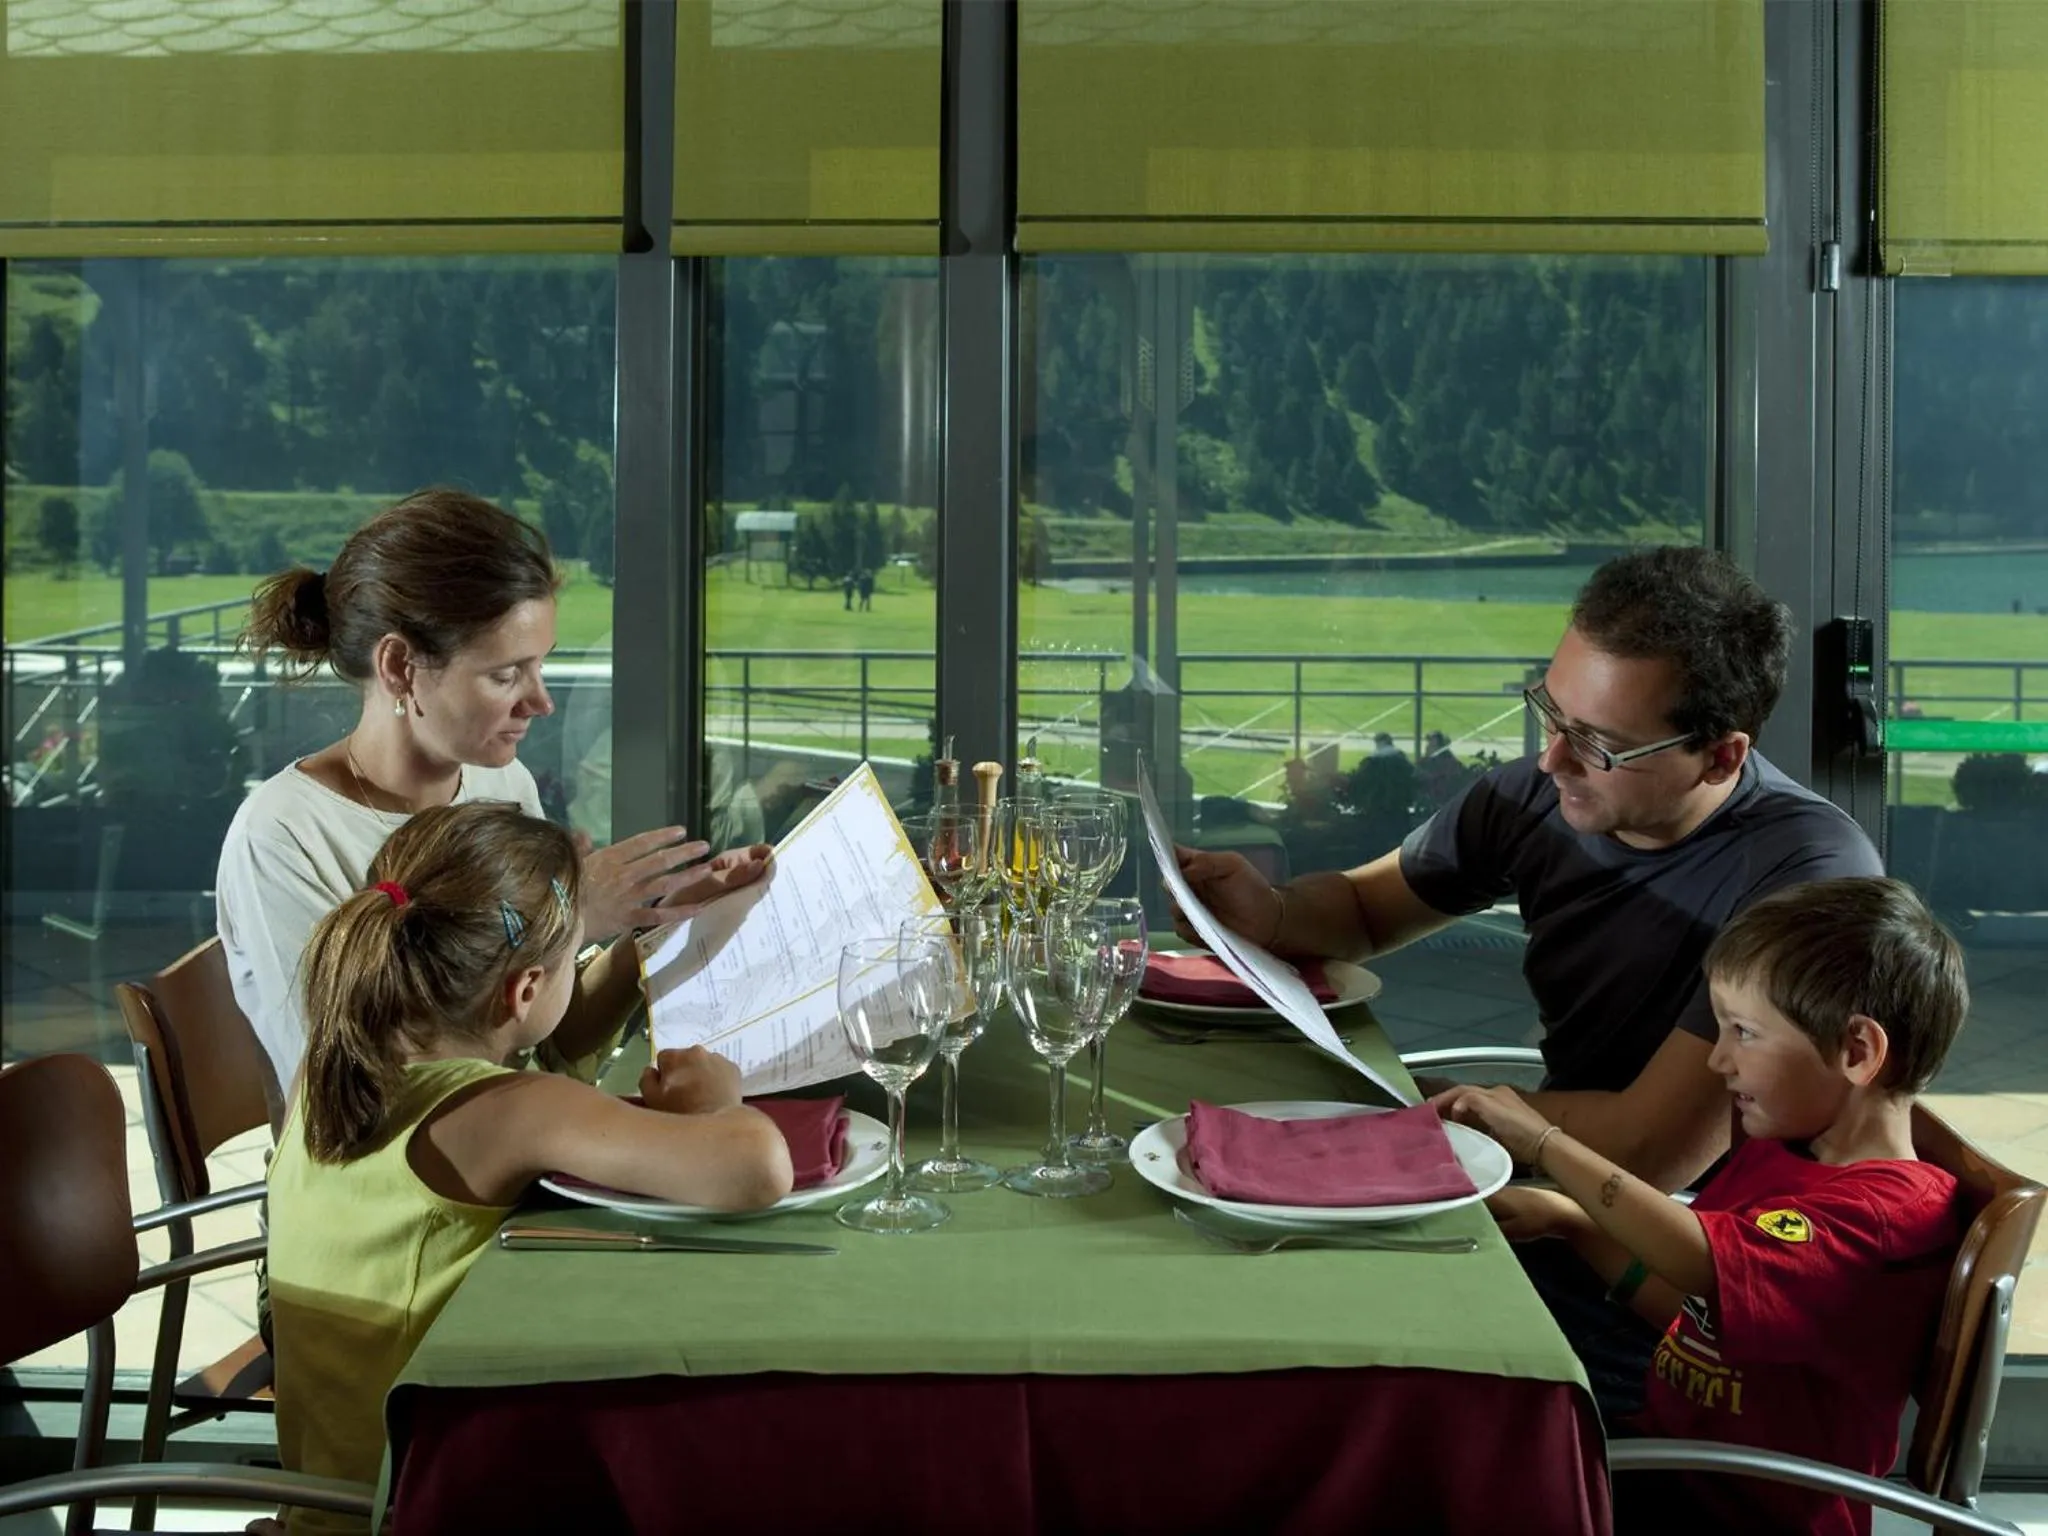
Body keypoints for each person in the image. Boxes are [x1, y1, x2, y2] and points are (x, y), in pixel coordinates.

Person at [1173, 546, 1882, 1412]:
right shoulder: (1546, 796)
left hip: (1679, 1287)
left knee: (1326, 1353)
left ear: (1721, 757)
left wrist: (1422, 1103)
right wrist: (1270, 913)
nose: (1552, 760)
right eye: (1551, 710)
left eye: (1598, 743)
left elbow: (1652, 1150)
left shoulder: (1806, 877)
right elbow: (1365, 911)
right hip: (1563, 1199)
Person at [266, 803, 792, 1534]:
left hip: (331, 1498)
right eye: (573, 957)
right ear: (521, 990)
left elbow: (548, 1036)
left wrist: (655, 936)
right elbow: (758, 1167)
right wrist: (716, 1102)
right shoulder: (510, 1112)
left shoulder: (332, 1066)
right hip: (417, 1505)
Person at [1440, 878, 1968, 1536]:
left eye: (1744, 1033)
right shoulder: (1793, 1151)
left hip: (1730, 1507)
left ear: (1857, 1052)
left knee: (1454, 1455)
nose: (1720, 1059)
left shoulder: (1883, 1215)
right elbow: (1705, 1307)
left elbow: (1699, 1262)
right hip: (1677, 1457)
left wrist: (1546, 1145)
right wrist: (1571, 1225)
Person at [219, 489, 770, 1106]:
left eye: (540, 667)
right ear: (400, 666)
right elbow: (353, 1094)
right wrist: (572, 917)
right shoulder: (283, 835)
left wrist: (662, 924)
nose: (540, 702)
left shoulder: (500, 784)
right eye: (506, 675)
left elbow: (536, 1042)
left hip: (514, 1150)